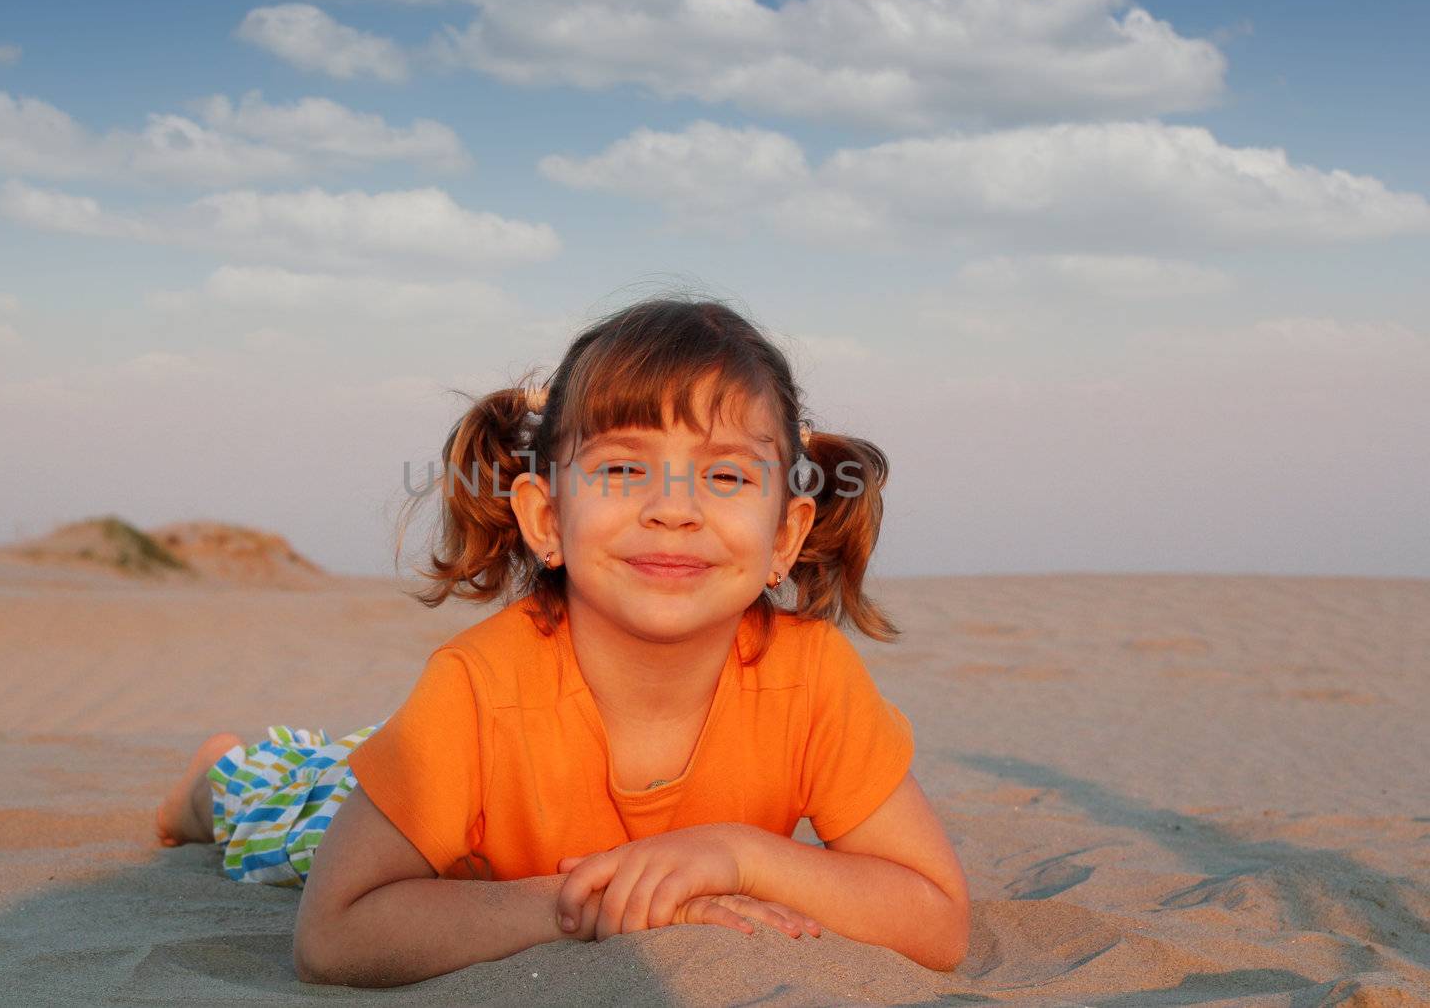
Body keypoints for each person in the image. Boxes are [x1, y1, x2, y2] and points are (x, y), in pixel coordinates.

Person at [154, 295, 971, 986]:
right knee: (290, 801)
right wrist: (576, 904)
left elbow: (936, 917)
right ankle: (211, 775)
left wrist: (739, 854)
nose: (674, 508)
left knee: (362, 763)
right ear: (547, 518)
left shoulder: (812, 676)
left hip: (453, 776)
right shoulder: (477, 687)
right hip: (442, 807)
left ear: (785, 536)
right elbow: (332, 933)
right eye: (622, 469)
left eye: (726, 475)